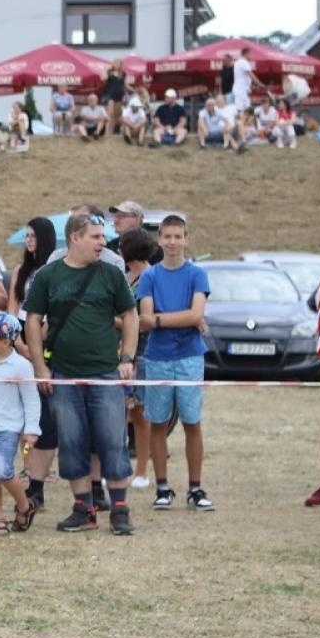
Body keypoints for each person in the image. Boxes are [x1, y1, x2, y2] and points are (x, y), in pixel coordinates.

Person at [24, 211, 139, 536]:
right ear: (75, 237)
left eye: (103, 237)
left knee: (112, 441)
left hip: (105, 374)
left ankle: (119, 509)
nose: (103, 243)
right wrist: (40, 367)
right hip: (63, 374)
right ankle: (83, 508)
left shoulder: (111, 275)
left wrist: (126, 357)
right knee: (72, 442)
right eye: (96, 237)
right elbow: (33, 319)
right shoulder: (49, 275)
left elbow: (130, 317)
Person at [137, 215, 213, 512]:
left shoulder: (197, 274)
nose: (171, 242)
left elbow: (196, 315)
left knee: (192, 422)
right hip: (157, 357)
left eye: (177, 236)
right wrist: (177, 319)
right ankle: (163, 487)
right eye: (166, 236)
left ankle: (195, 487)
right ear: (159, 240)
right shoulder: (150, 277)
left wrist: (159, 319)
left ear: (186, 239)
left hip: (190, 356)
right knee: (158, 422)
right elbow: (144, 320)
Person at [0, 312, 41, 536]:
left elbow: (31, 398)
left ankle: (25, 505)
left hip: (7, 427)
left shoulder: (21, 366)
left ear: (6, 341)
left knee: (3, 471)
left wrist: (31, 429)